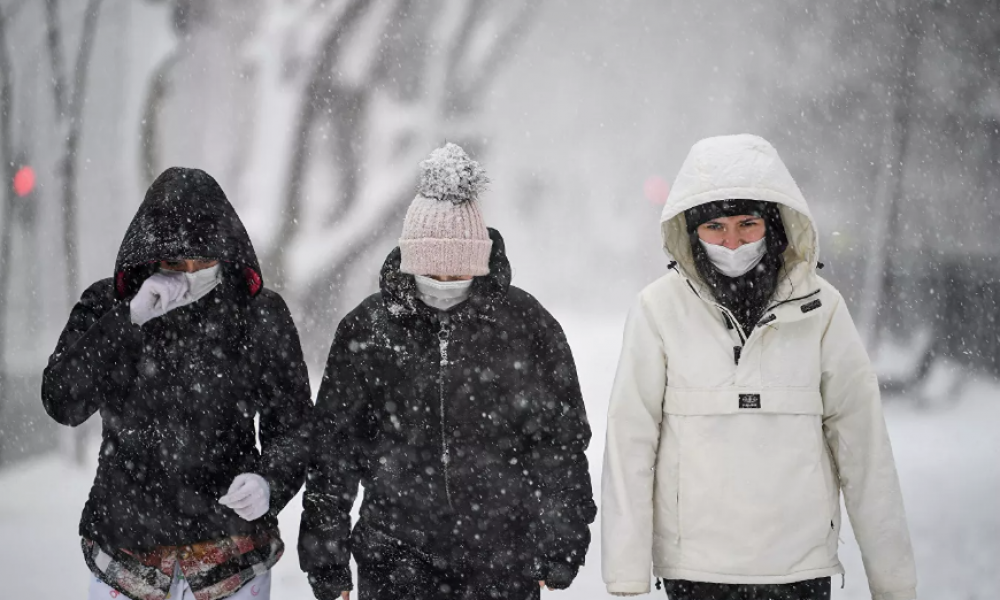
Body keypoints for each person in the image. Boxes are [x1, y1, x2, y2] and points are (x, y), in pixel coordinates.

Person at [601, 134, 917, 600]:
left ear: (774, 223)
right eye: (715, 227)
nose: (732, 242)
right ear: (691, 231)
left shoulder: (822, 311)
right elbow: (630, 443)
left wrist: (894, 581)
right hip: (697, 571)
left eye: (747, 223)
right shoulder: (658, 310)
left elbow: (864, 447)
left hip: (797, 571)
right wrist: (626, 576)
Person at [299, 143, 596, 600]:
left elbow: (559, 443)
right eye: (430, 274)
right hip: (394, 560)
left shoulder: (526, 325)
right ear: (409, 262)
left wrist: (561, 540)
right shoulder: (368, 328)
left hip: (503, 560)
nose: (442, 286)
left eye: (457, 274)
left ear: (479, 264)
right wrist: (326, 553)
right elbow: (333, 450)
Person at [42, 167, 313, 600]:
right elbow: (63, 401)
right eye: (174, 262)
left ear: (225, 252)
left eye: (203, 261)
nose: (189, 273)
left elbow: (296, 425)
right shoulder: (108, 305)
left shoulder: (260, 314)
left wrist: (270, 483)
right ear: (149, 257)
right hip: (124, 555)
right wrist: (129, 319)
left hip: (232, 558)